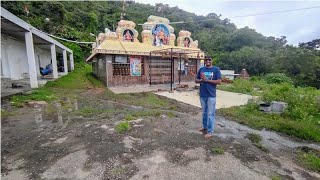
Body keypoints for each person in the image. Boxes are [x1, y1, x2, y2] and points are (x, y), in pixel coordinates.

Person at [195, 56, 221, 139]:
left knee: (210, 114)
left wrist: (207, 80)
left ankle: (210, 132)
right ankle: (204, 127)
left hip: (211, 95)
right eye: (206, 60)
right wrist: (201, 80)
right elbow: (196, 80)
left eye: (209, 59)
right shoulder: (201, 69)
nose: (207, 61)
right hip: (202, 94)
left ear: (211, 60)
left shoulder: (216, 69)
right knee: (204, 113)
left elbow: (219, 81)